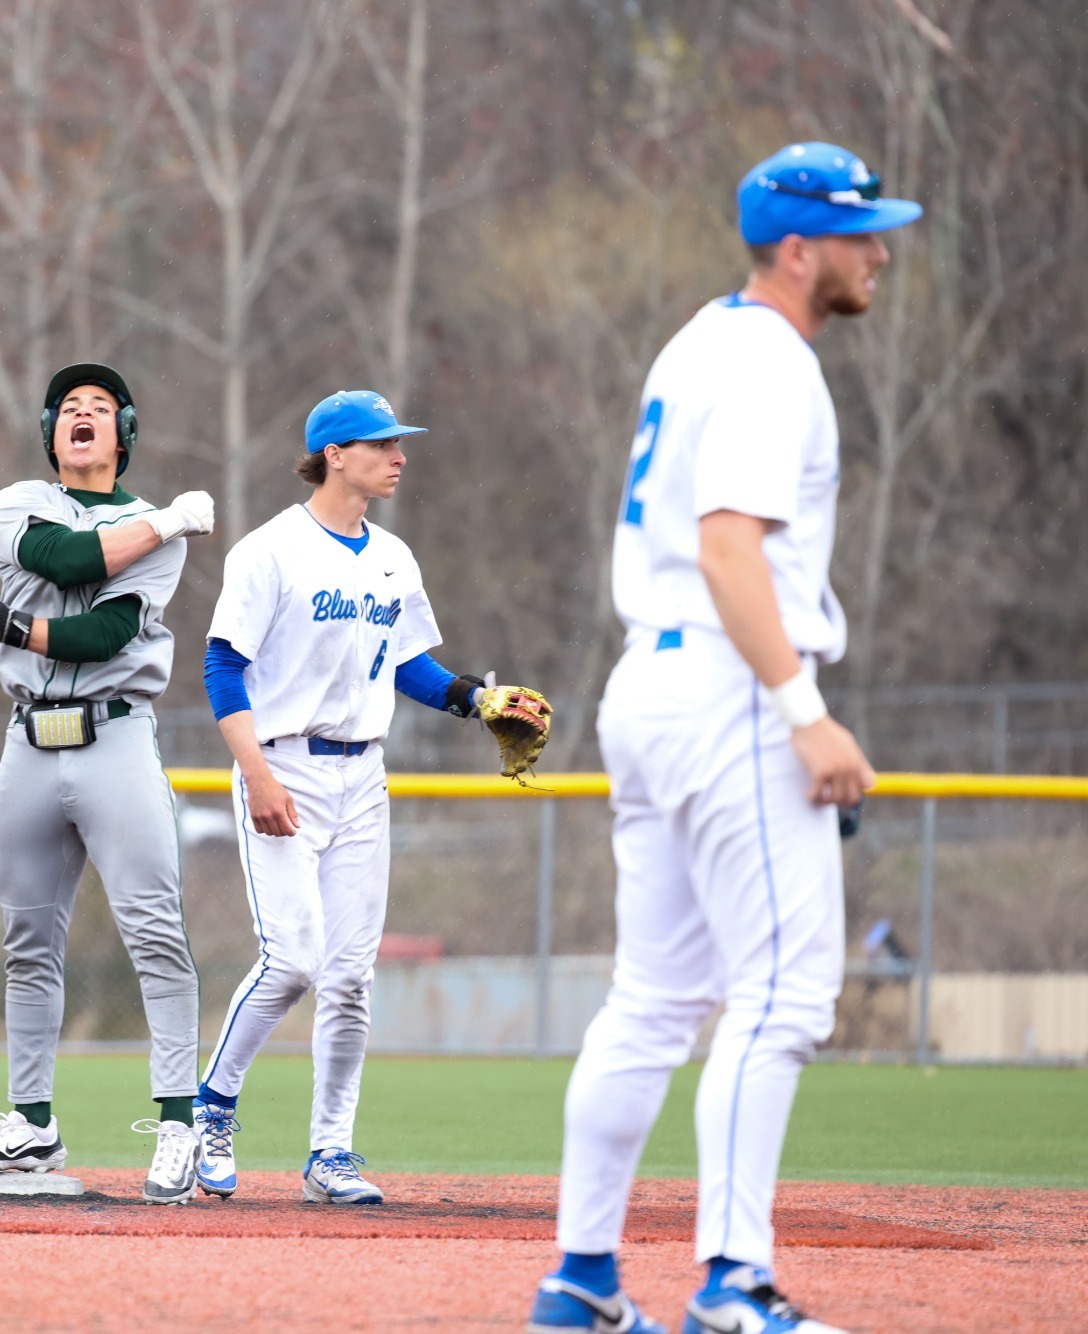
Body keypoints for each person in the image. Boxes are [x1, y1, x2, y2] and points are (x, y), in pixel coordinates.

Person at [527, 143, 918, 1334]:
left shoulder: (698, 340)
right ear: (797, 248)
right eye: (858, 235)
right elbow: (728, 547)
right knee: (785, 995)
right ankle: (731, 1288)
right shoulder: (766, 361)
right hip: (732, 690)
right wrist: (803, 711)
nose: (878, 252)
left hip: (652, 684)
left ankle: (581, 1280)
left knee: (650, 998)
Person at [193, 390, 552, 1205]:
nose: (398, 456)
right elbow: (222, 666)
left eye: (399, 443)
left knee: (350, 977)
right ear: (333, 455)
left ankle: (331, 1153)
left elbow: (408, 664)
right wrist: (255, 773)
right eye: (380, 443)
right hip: (284, 764)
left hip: (363, 778)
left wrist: (473, 700)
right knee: (291, 962)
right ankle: (211, 1109)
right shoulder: (270, 551)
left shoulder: (393, 555)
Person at [0, 362, 217, 1204]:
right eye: (70, 408)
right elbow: (61, 556)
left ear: (124, 432)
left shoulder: (149, 525)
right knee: (27, 940)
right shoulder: (19, 500)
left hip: (117, 739)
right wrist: (167, 523)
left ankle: (179, 1124)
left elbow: (100, 634)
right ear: (51, 431)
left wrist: (5, 622)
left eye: (101, 407)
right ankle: (31, 1125)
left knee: (153, 931)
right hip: (27, 741)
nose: (83, 415)